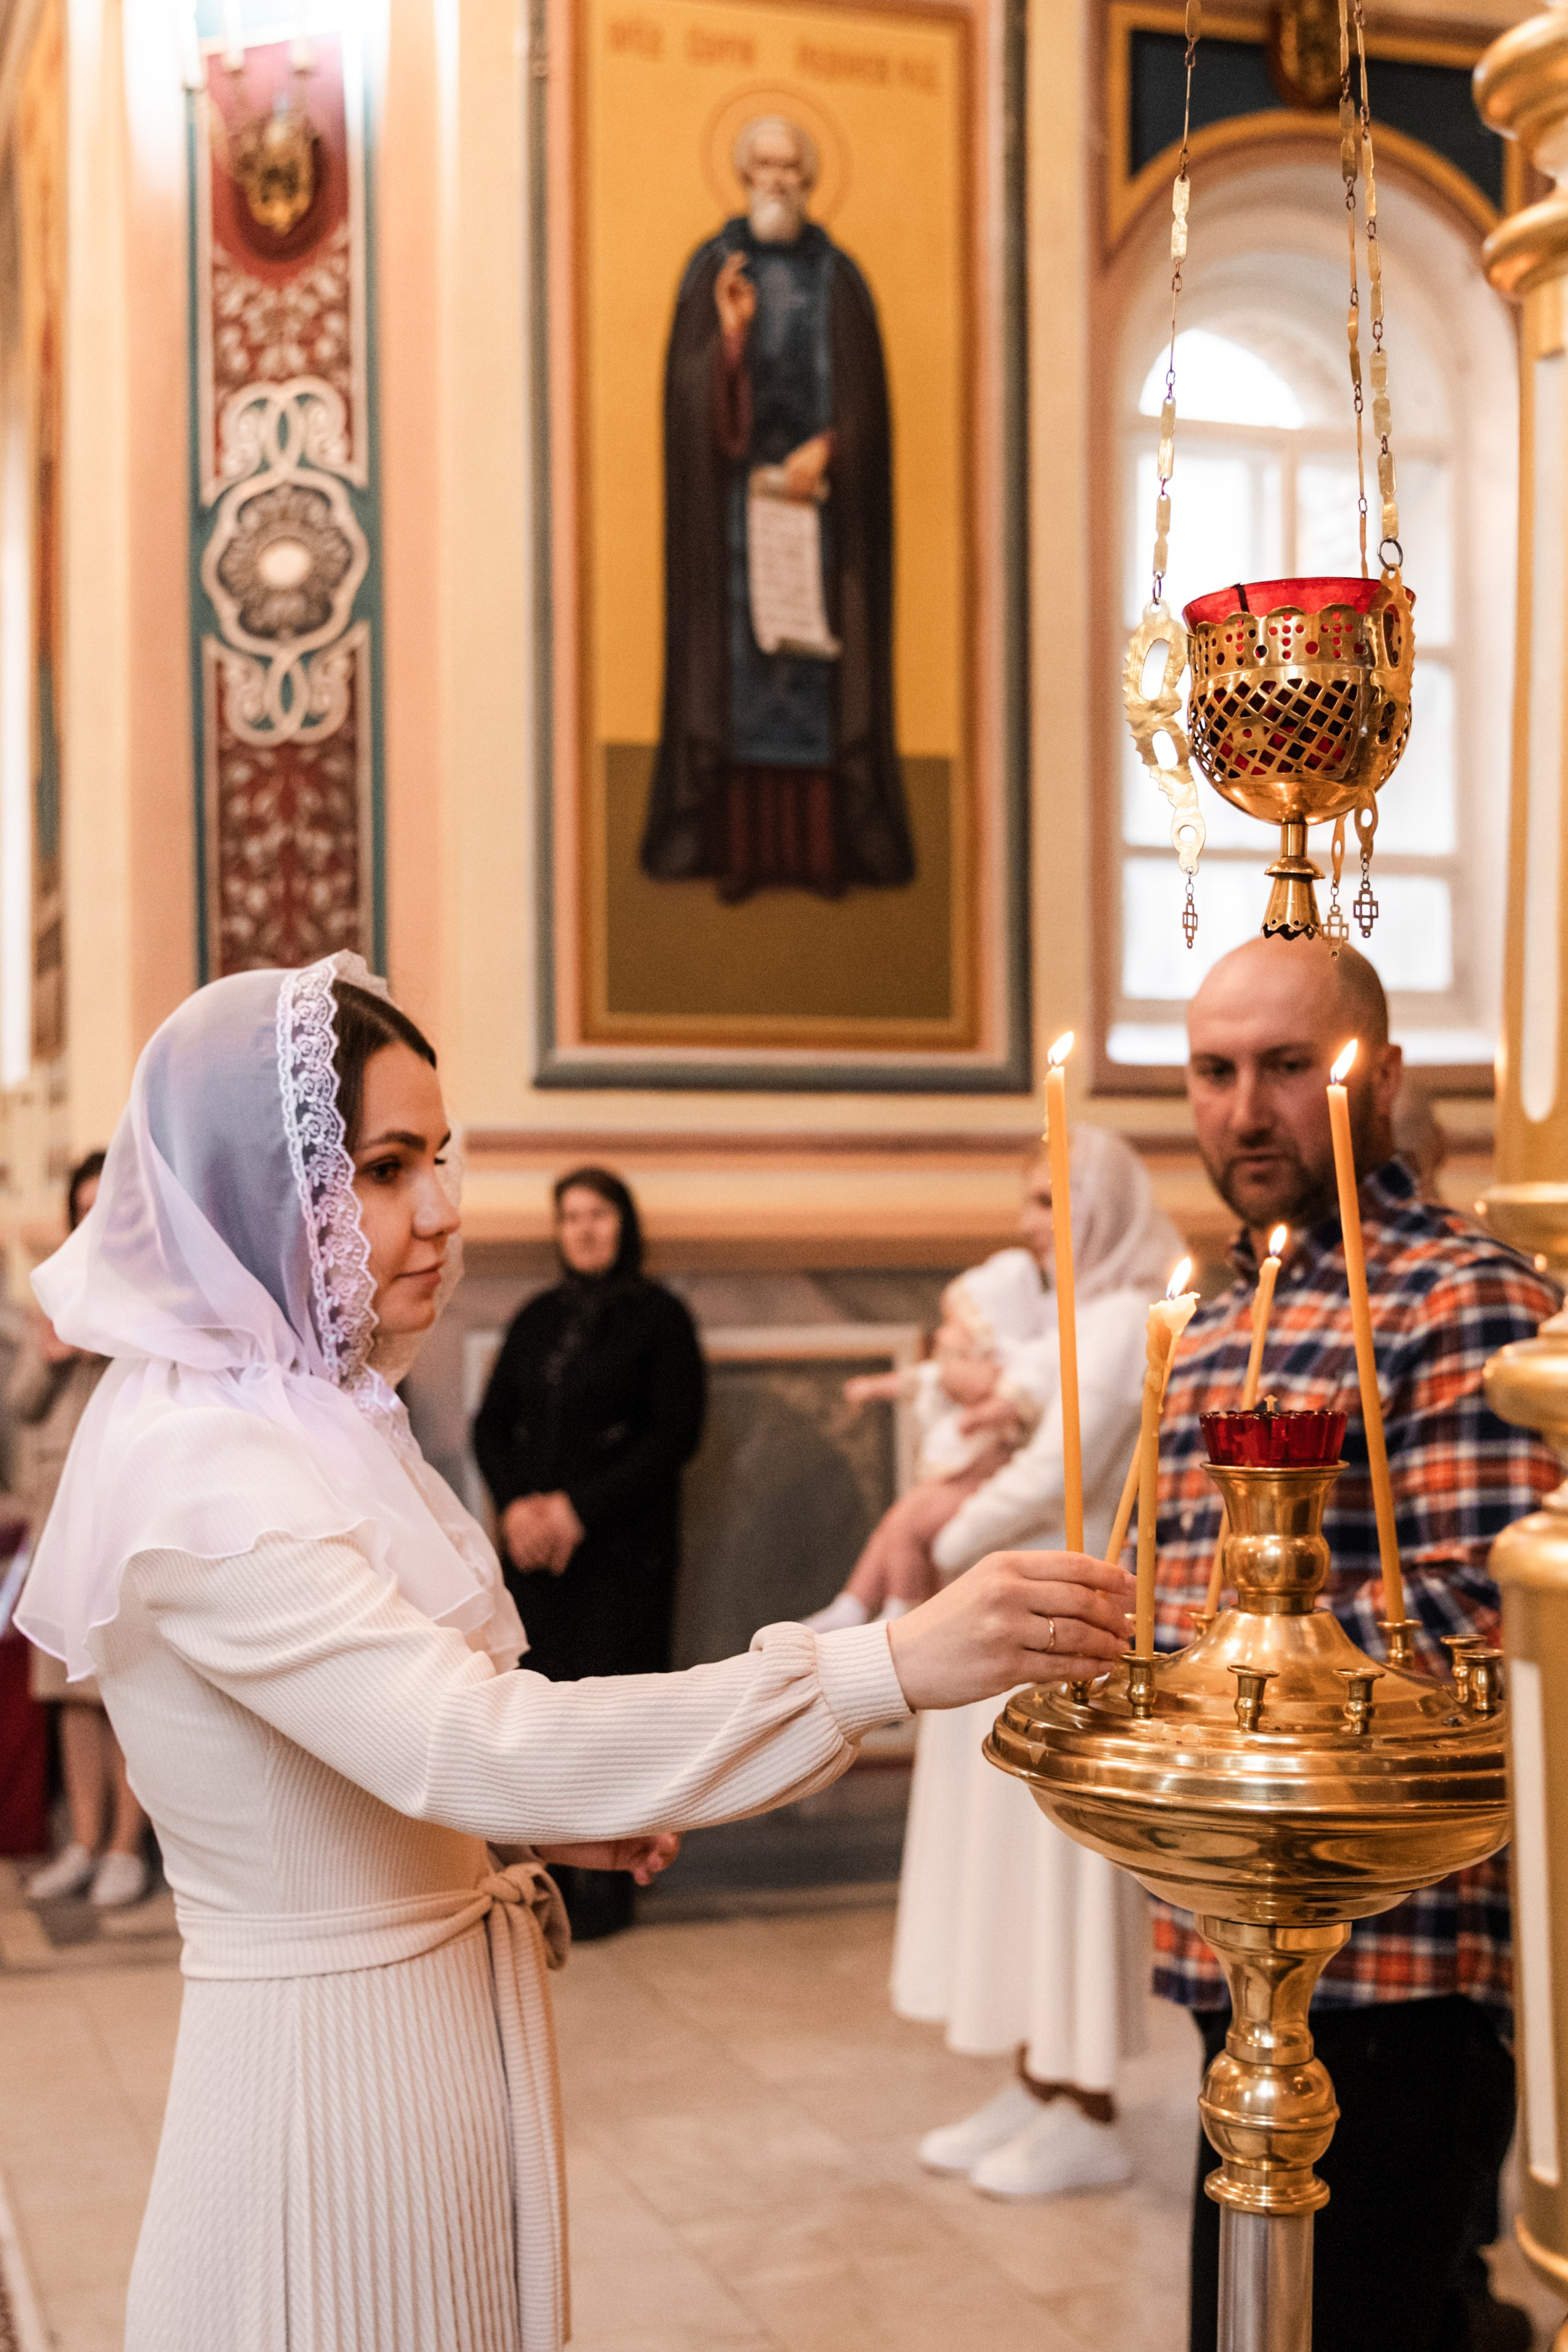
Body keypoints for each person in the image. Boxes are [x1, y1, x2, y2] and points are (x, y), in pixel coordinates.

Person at [15, 951, 1134, 2352]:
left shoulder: (308, 1418)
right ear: (261, 1192)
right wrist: (882, 1663)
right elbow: (465, 1739)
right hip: (327, 2106)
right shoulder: (205, 1471)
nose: (442, 1209)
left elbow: (376, 1754)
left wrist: (509, 1836)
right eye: (383, 1168)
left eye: (438, 1158)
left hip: (424, 2051)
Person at [1151, 935, 1556, 2352]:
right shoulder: (1213, 1319)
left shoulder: (1462, 1297)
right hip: (1230, 1929)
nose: (1242, 1111)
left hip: (1392, 1953)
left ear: (1376, 1076)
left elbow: (1478, 1619)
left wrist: (1207, 1676)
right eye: (1211, 1071)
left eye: (1283, 1067)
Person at [892, 1126, 1185, 2197]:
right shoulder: (1042, 1319)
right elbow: (955, 1433)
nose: (1032, 1226)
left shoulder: (1119, 1322)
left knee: (1062, 1861)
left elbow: (1056, 1472)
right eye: (1028, 1202)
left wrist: (946, 1539)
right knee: (1002, 1855)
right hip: (999, 1609)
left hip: (1067, 1619)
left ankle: (1087, 2100)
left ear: (1103, 1209)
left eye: (1053, 1202)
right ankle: (1035, 2076)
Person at [641, 113, 913, 902]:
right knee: (741, 678)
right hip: (734, 526)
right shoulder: (716, 271)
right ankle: (739, 853)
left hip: (822, 523)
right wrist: (729, 341)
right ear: (743, 176)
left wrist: (831, 446)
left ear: (809, 178)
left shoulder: (839, 279)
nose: (777, 182)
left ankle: (824, 854)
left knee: (819, 675)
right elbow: (688, 400)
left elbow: (869, 409)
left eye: (790, 168)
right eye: (763, 167)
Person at [473, 1166, 706, 1936]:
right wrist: (517, 1508)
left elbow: (674, 1435)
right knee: (543, 1710)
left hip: (622, 1552)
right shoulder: (537, 1315)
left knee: (615, 1716)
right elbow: (489, 1425)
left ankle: (612, 1883)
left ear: (624, 1223)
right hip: (537, 1556)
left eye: (598, 1214)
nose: (584, 1229)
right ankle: (553, 1871)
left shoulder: (661, 1316)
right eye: (570, 1216)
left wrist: (576, 1510)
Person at [20, 1150, 151, 1907]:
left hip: (122, 1509)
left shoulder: (150, 1287)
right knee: (69, 1687)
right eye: (81, 1208)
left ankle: (127, 1848)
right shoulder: (56, 1290)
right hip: (58, 1508)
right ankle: (83, 1841)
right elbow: (22, 1404)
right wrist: (51, 1355)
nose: (91, 1220)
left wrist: (107, 1340)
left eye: (105, 1205)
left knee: (121, 1686)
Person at [804, 1248, 1051, 1632]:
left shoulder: (1015, 1368)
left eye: (955, 1329)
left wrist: (982, 1412)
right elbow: (917, 1380)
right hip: (948, 1480)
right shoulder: (955, 1368)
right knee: (892, 1526)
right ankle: (852, 1603)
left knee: (905, 1524)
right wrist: (873, 1387)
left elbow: (1016, 1399)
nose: (945, 1342)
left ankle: (902, 1606)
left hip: (978, 1482)